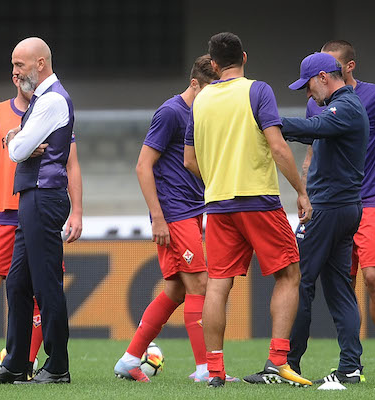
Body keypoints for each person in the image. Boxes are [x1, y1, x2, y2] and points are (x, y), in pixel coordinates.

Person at [183, 32, 313, 388]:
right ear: (244, 56)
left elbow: (189, 160)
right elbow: (278, 147)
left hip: (218, 204)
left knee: (217, 286)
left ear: (212, 64)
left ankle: (214, 370)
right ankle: (277, 362)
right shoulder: (258, 91)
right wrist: (301, 192)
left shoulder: (201, 100)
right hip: (258, 200)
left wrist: (218, 178)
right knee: (288, 274)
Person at [0, 73, 83, 383]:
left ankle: (52, 364)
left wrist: (77, 210)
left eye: (21, 65)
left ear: (39, 67)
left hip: (38, 201)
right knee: (10, 285)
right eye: (13, 67)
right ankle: (3, 363)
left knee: (44, 286)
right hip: (5, 210)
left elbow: (65, 161)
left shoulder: (50, 105)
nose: (16, 72)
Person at [114, 55, 233, 384]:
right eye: (210, 87)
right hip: (174, 212)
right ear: (194, 84)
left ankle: (128, 359)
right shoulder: (170, 112)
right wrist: (157, 217)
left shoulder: (204, 113)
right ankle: (205, 368)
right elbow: (143, 165)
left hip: (193, 210)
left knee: (175, 290)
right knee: (201, 284)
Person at [302, 40, 375, 382]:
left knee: (374, 277)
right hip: (333, 204)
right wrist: (304, 192)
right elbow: (312, 152)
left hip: (373, 199)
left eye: (329, 63)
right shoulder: (314, 102)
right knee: (341, 282)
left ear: (348, 67)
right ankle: (351, 364)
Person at [279, 52, 368, 384]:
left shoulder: (343, 107)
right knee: (339, 288)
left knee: (298, 281)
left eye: (307, 86)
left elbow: (314, 126)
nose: (307, 94)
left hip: (329, 208)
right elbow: (312, 132)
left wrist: (270, 122)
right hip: (345, 208)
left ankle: (289, 364)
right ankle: (350, 366)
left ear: (322, 77)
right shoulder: (347, 106)